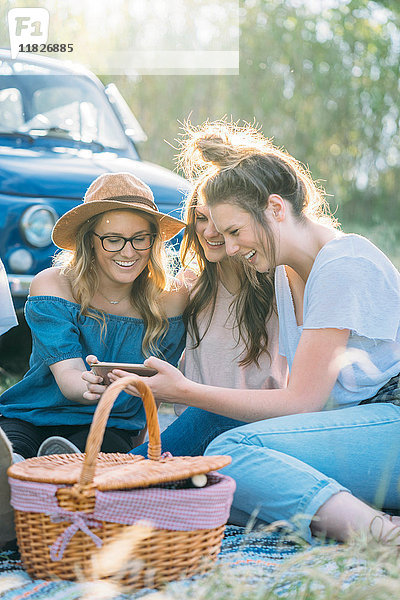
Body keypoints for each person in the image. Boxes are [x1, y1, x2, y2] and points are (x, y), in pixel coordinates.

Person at [110, 122, 400, 544]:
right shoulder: (286, 273)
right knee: (213, 484)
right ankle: (113, 485)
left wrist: (183, 391)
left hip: (390, 423)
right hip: (354, 429)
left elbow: (301, 402)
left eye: (234, 232)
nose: (229, 249)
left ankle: (381, 536)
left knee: (233, 455)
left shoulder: (343, 263)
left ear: (276, 209)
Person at [0, 172, 186, 458]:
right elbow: (69, 376)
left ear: (154, 241)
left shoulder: (170, 300)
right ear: (90, 241)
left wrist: (141, 440)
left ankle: (63, 466)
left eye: (140, 239)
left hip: (110, 425)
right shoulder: (55, 285)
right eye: (113, 239)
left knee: (99, 454)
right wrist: (87, 383)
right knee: (10, 457)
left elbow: (156, 388)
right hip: (32, 416)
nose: (128, 251)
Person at [116, 187, 287, 457]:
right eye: (201, 218)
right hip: (195, 429)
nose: (208, 232)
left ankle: (113, 471)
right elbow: (162, 360)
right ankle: (119, 466)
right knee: (199, 418)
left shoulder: (280, 284)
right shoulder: (189, 289)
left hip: (257, 427)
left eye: (218, 220)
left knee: (207, 416)